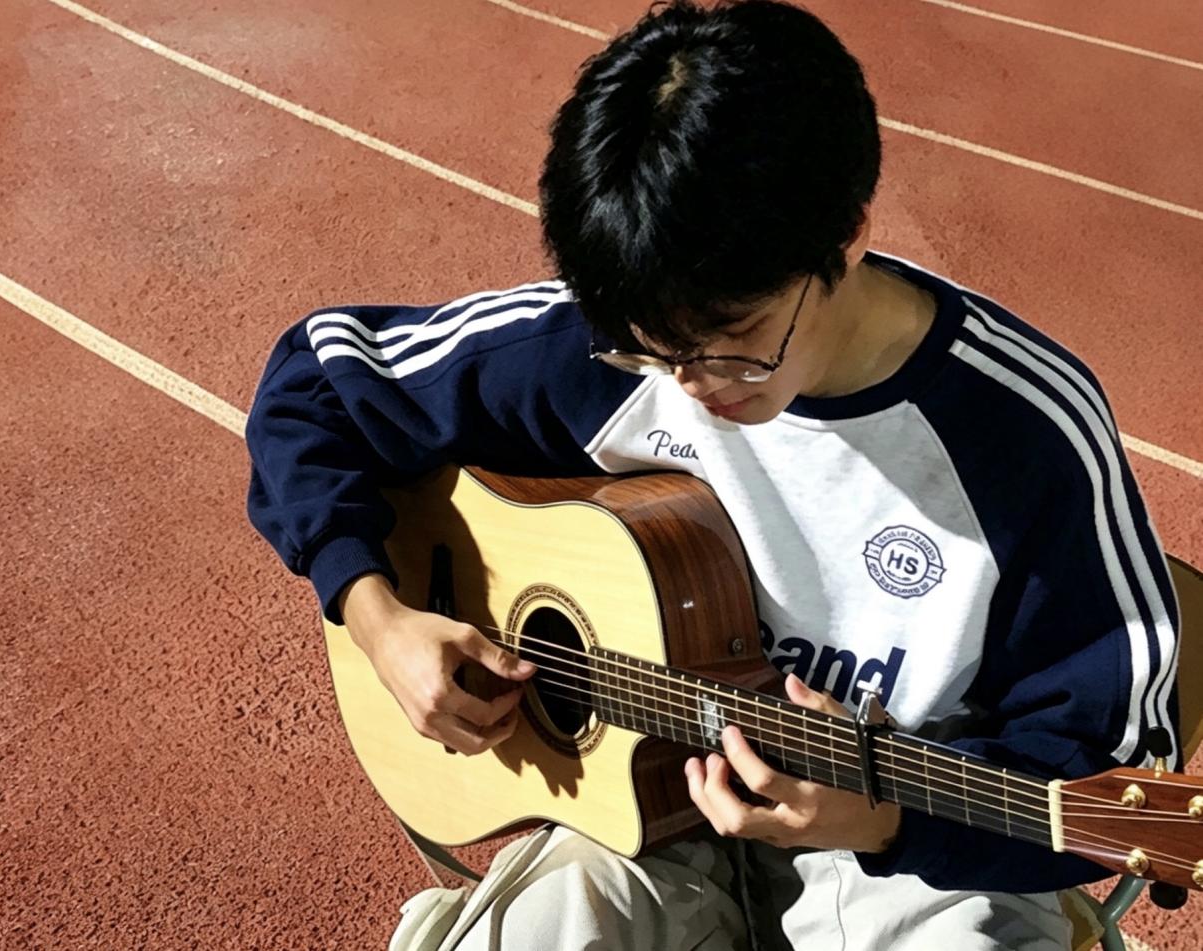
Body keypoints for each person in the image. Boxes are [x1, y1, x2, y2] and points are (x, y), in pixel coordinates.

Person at [244, 1, 1181, 948]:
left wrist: (883, 819)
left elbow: (1108, 758)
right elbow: (312, 381)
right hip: (638, 821)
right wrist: (377, 616)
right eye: (652, 350)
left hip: (912, 845)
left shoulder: (1021, 433)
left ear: (848, 235)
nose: (690, 386)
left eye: (736, 341)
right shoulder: (618, 344)